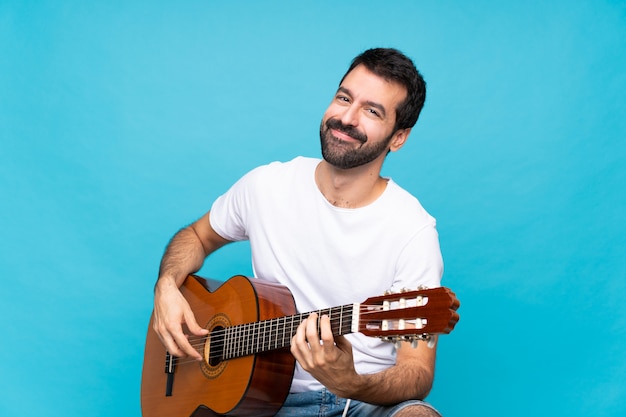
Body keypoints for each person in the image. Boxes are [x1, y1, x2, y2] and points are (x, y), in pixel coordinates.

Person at [153, 47, 445, 417]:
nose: (347, 118)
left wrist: (351, 382)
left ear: (398, 137)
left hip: (361, 400)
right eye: (344, 98)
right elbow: (195, 236)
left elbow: (416, 372)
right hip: (257, 395)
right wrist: (166, 284)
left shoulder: (412, 231)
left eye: (372, 111)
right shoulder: (266, 186)